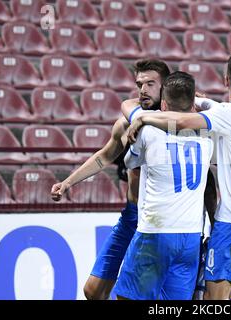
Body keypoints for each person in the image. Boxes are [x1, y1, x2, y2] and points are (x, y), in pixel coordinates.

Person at [126, 52, 231, 300]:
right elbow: (214, 107)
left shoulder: (228, 115)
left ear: (226, 80)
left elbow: (183, 122)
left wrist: (144, 118)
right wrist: (197, 99)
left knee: (213, 299)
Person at [50, 59, 171, 300]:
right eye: (139, 84)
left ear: (165, 86)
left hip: (161, 221)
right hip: (131, 216)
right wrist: (68, 183)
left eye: (150, 83)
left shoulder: (179, 124)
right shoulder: (126, 123)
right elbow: (104, 157)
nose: (143, 90)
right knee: (93, 291)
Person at [114, 71, 214, 300]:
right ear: (192, 103)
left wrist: (142, 120)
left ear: (164, 103)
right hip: (190, 235)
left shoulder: (149, 131)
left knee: (128, 297)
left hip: (156, 232)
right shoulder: (208, 136)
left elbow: (130, 162)